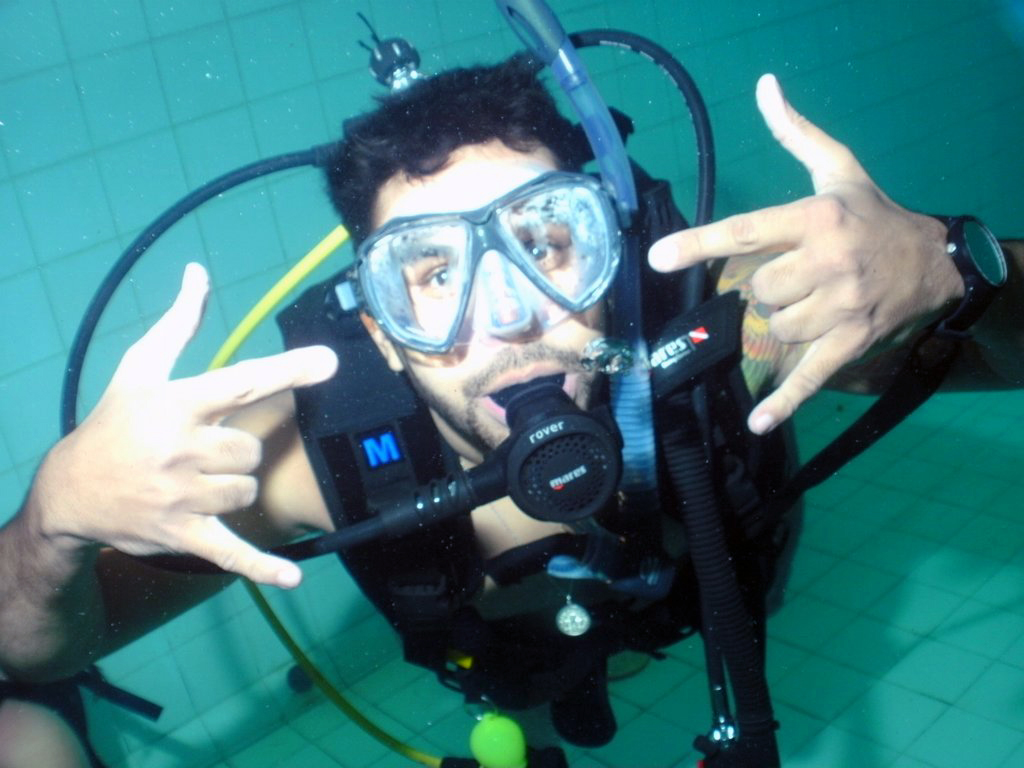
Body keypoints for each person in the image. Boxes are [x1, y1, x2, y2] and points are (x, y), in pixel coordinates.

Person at [1, 55, 1020, 761]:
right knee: (523, 694)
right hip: (506, 650)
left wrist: (956, 266)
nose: (509, 320)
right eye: (432, 272)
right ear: (380, 328)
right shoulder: (306, 459)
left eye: (546, 240)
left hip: (703, 595)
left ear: (610, 245)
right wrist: (51, 525)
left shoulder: (738, 331)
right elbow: (41, 649)